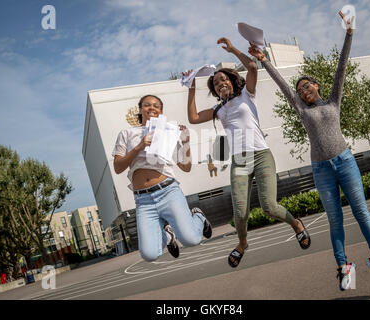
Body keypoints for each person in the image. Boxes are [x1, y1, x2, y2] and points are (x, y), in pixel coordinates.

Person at [248, 11, 370, 290]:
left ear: (317, 86)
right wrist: (264, 62)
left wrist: (349, 33)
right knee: (335, 220)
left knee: (361, 212)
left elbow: (341, 66)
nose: (302, 90)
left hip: (345, 162)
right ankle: (343, 267)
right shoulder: (301, 109)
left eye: (307, 86)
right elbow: (283, 86)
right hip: (321, 169)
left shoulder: (333, 101)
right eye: (300, 89)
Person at [183, 37, 311, 269]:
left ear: (232, 81)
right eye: (215, 83)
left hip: (261, 155)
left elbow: (252, 66)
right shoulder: (218, 109)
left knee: (269, 207)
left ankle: (296, 225)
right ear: (214, 90)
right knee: (240, 213)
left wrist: (232, 49)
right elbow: (192, 117)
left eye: (224, 79)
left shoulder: (246, 95)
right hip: (240, 161)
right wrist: (191, 85)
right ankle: (242, 244)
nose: (220, 83)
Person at [112, 94, 212, 262]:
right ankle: (168, 236)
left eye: (156, 106)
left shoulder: (168, 133)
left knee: (191, 240)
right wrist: (140, 146)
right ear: (140, 109)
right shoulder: (127, 134)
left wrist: (186, 142)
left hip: (168, 192)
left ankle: (199, 217)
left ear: (161, 111)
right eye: (147, 105)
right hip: (143, 200)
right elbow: (118, 167)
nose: (151, 108)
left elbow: (185, 167)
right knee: (150, 255)